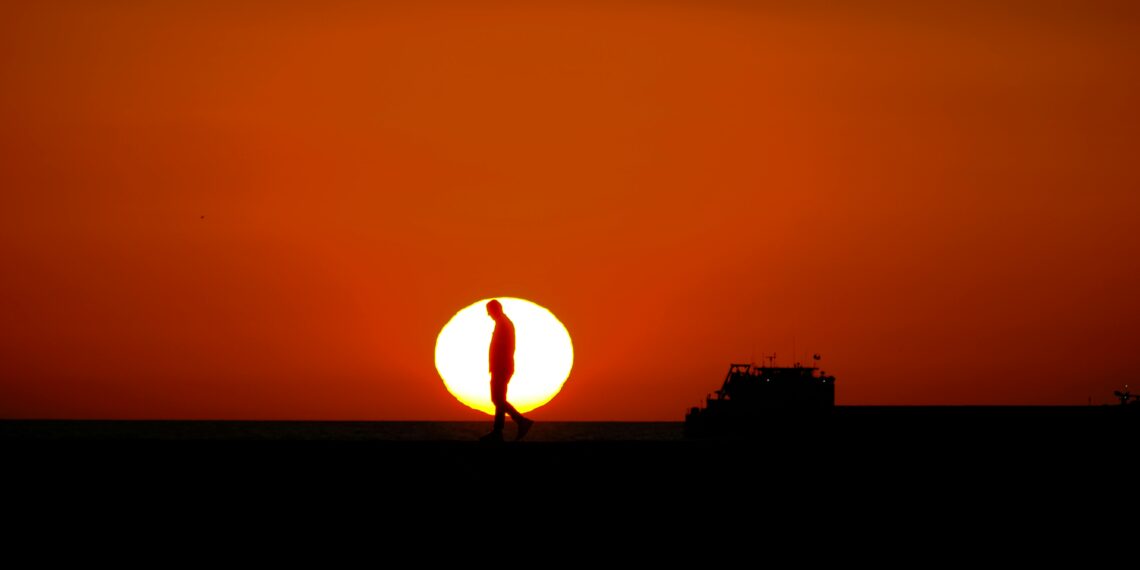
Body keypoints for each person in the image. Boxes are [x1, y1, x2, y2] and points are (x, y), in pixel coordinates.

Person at [480, 299, 534, 442]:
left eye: (489, 311)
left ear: (495, 310)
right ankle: (498, 432)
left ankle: (521, 422)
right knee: (499, 399)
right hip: (501, 367)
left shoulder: (504, 324)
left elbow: (505, 348)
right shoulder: (502, 323)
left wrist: (498, 366)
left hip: (502, 367)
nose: (488, 315)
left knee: (497, 399)